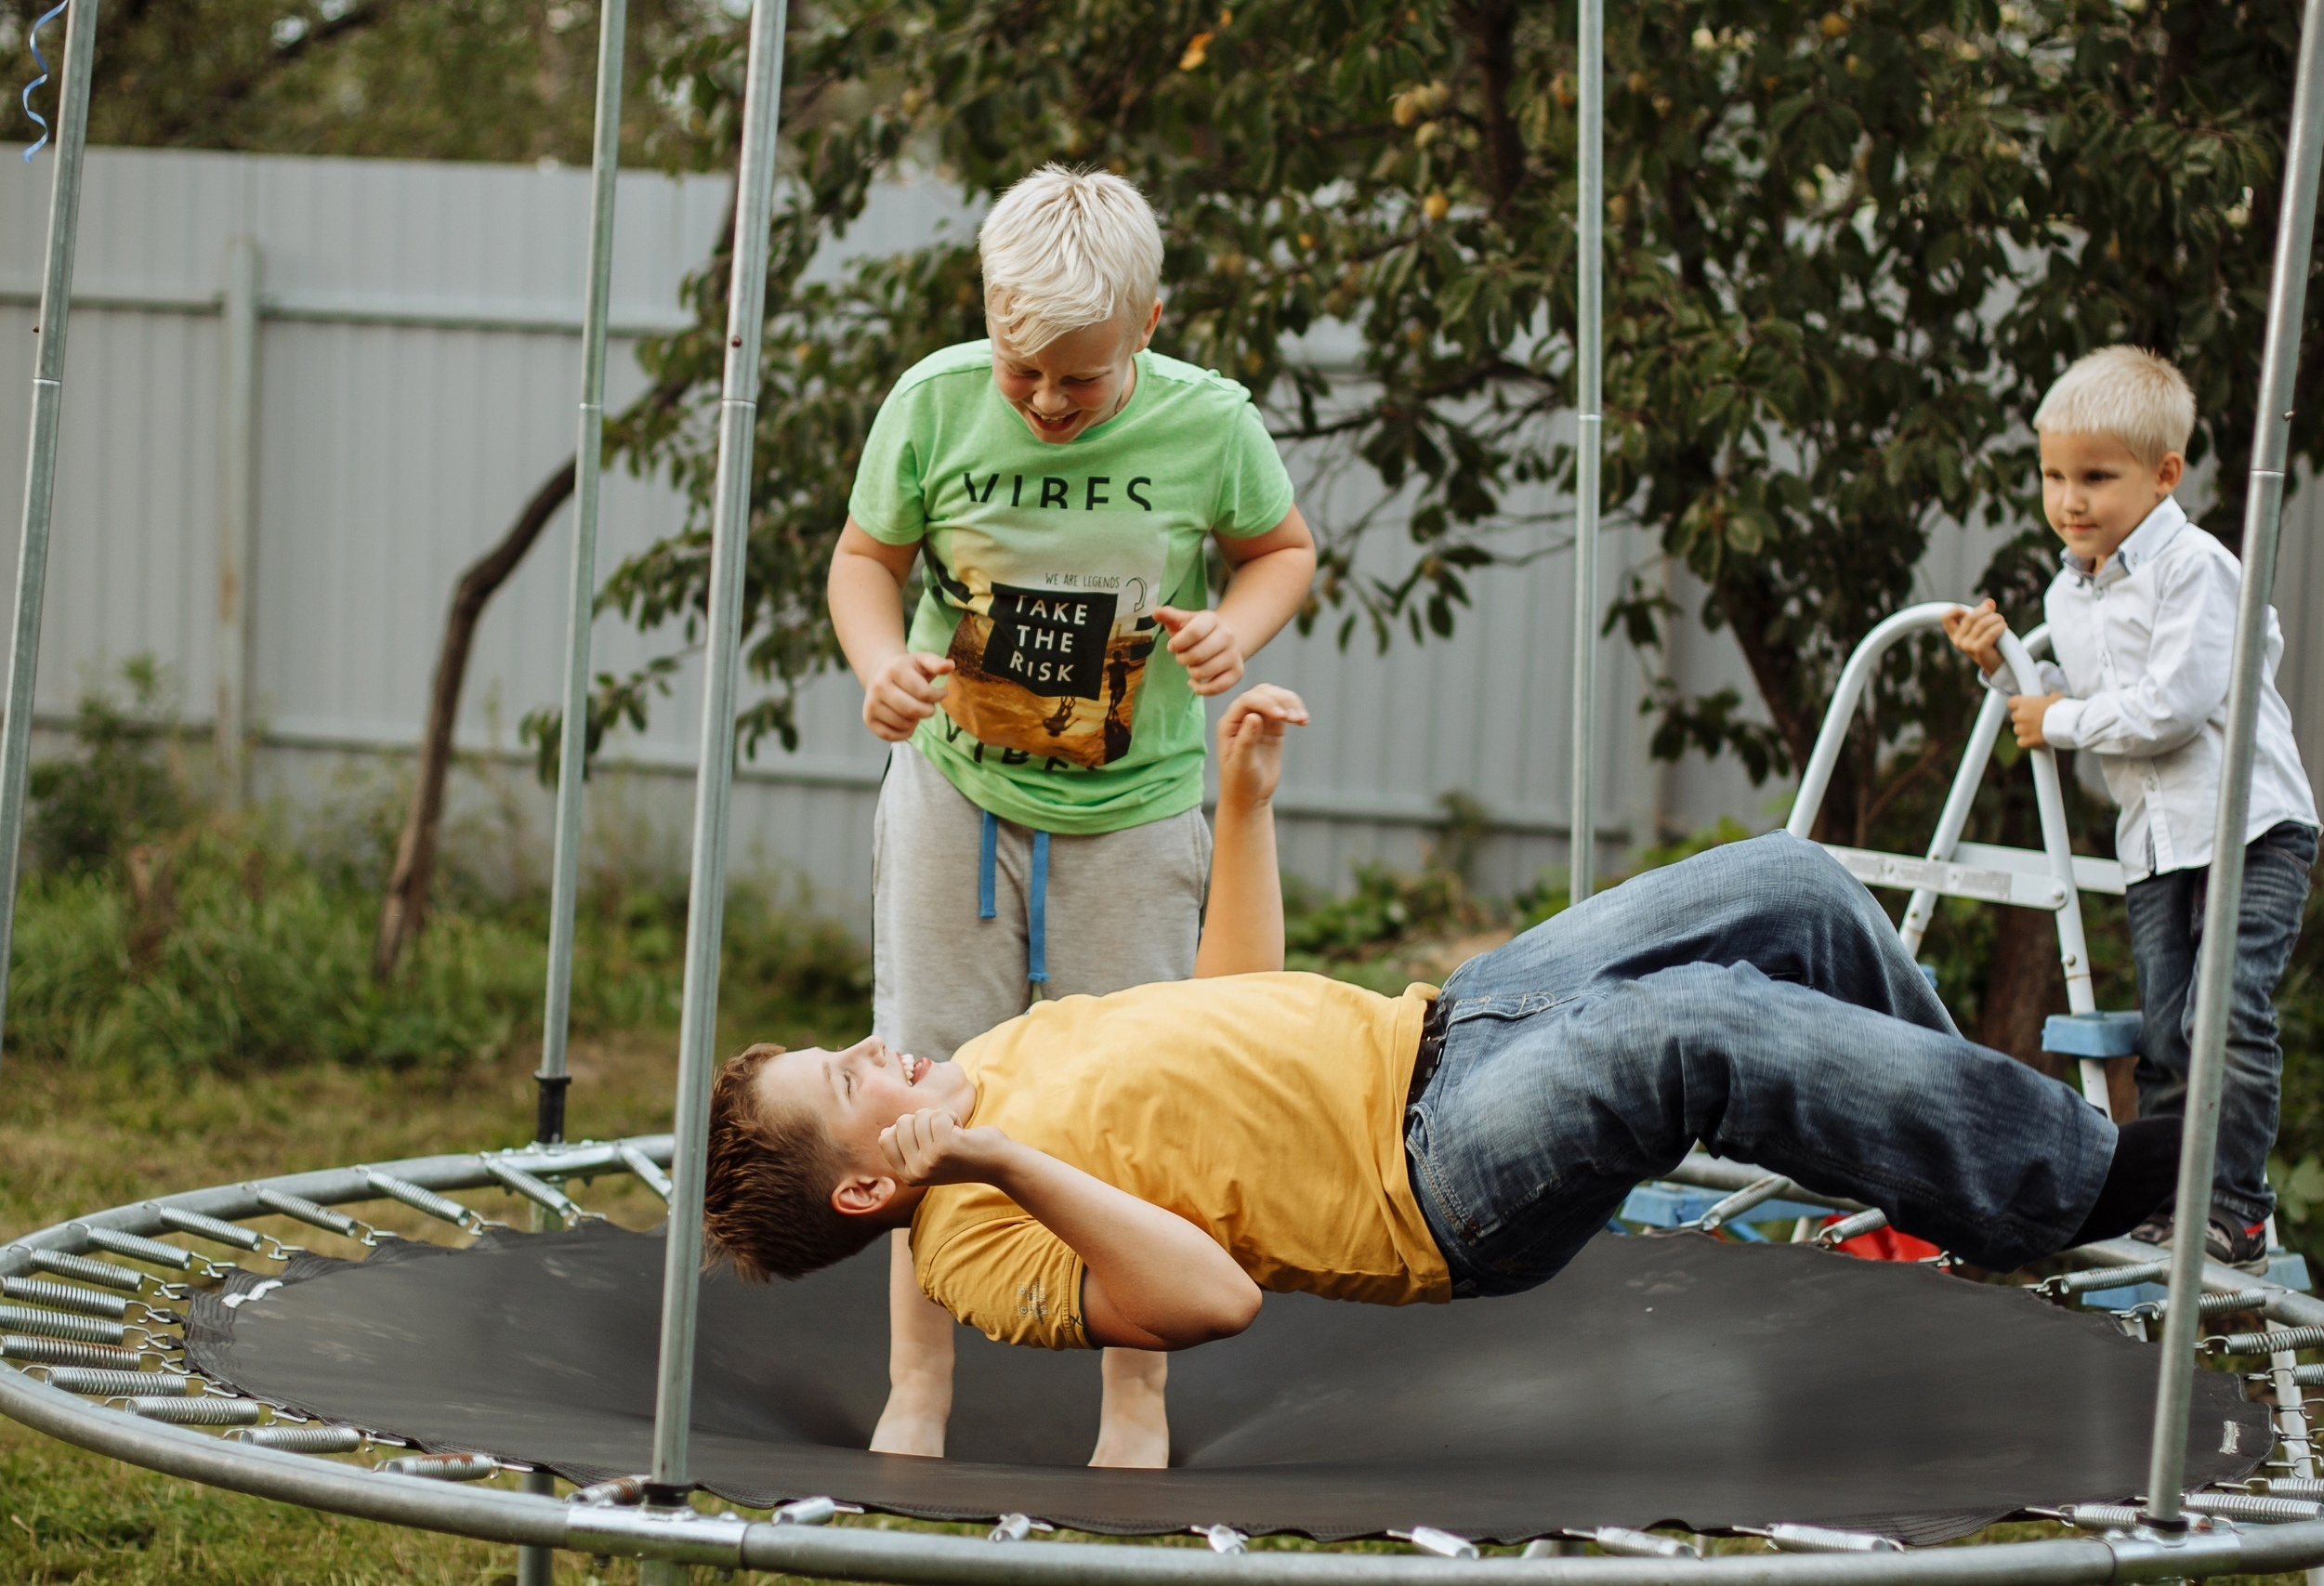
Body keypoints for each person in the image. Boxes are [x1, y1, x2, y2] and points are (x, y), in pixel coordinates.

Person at [704, 687, 2185, 1362]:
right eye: (851, 1074)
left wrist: (1240, 812)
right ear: (867, 1179)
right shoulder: (977, 1252)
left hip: (1453, 1023)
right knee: (1696, 1031)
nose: (879, 1047)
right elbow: (1208, 1301)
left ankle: (1982, 1186)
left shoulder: (1005, 1052)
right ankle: (2062, 1178)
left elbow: (1230, 1006)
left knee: (1790, 882)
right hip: (1440, 1181)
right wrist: (991, 1162)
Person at [826, 166, 1316, 1461]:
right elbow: (865, 561)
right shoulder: (933, 402)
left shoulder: (1211, 423)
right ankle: (918, 1384)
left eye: (1080, 380)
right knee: (921, 1069)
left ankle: (1135, 1402)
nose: (1046, 399)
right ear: (986, 312)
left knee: (1145, 1093)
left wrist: (1234, 625)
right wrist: (879, 663)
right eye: (1020, 365)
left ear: (1146, 326)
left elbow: (1283, 549)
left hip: (1134, 802)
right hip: (957, 791)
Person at [1942, 347, 2322, 1271]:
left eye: (2096, 478)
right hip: (2154, 841)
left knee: (2223, 1017)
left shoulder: (2197, 569)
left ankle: (2233, 1205)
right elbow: (2073, 695)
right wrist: (2006, 671)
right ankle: (2163, 1197)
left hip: (2248, 830)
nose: (2070, 500)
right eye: (2053, 477)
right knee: (2161, 1033)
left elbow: (2166, 706)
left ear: (2162, 475)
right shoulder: (2067, 591)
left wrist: (2058, 715)